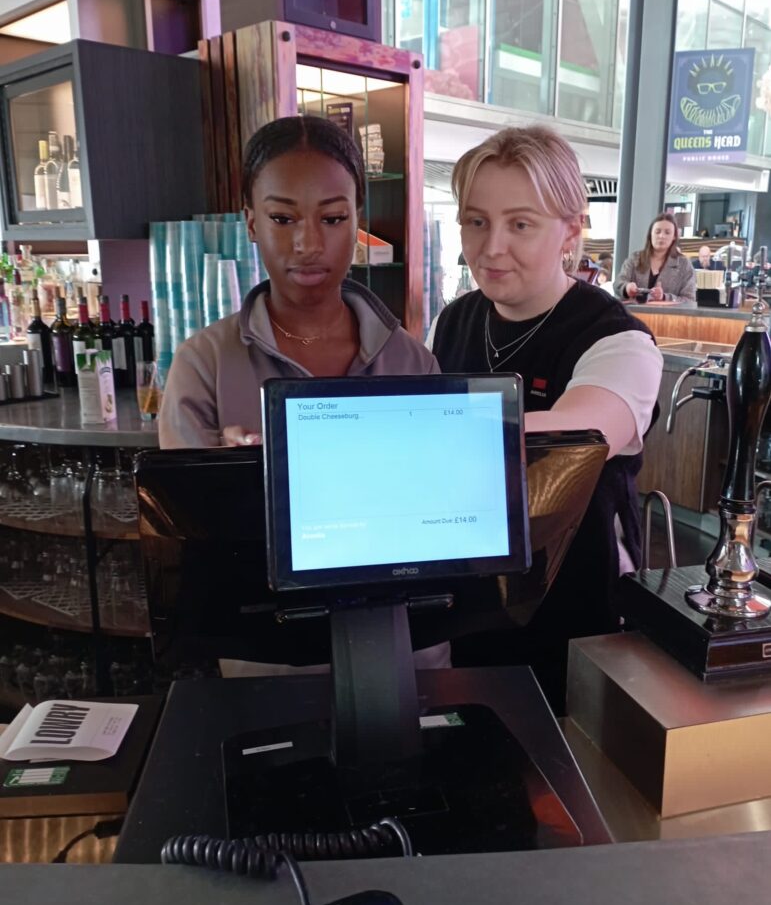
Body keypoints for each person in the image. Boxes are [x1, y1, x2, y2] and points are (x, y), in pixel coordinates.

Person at [429, 125, 663, 709]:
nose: (490, 247)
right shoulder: (453, 320)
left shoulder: (618, 343)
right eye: (475, 221)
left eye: (520, 224)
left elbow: (563, 444)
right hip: (473, 596)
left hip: (580, 609)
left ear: (571, 231)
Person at [160, 115, 438, 449]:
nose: (309, 244)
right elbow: (183, 499)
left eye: (333, 219)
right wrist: (232, 476)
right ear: (251, 224)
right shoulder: (204, 366)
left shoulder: (412, 364)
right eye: (282, 218)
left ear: (357, 223)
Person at [614, 213, 696, 301]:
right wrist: (626, 288)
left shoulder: (684, 265)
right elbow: (618, 284)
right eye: (657, 232)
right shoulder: (635, 258)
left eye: (667, 233)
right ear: (650, 234)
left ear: (674, 237)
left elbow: (689, 299)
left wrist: (665, 297)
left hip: (667, 314)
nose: (661, 236)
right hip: (632, 313)